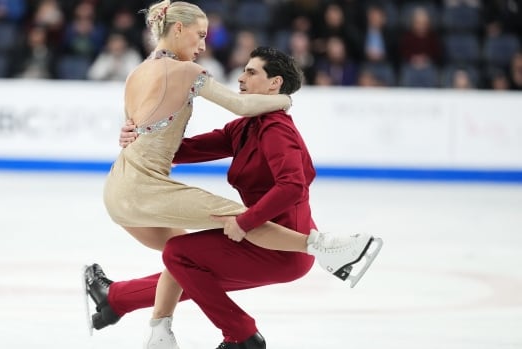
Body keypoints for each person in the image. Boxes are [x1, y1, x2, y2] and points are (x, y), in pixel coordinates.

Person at [85, 1, 382, 347]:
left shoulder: (275, 129)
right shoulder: (240, 129)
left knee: (182, 258)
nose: (240, 77)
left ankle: (322, 254)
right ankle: (167, 322)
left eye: (251, 73)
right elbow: (178, 148)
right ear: (178, 29)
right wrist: (136, 136)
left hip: (281, 243)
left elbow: (292, 186)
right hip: (256, 234)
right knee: (183, 258)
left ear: (275, 85)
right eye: (242, 69)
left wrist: (246, 222)